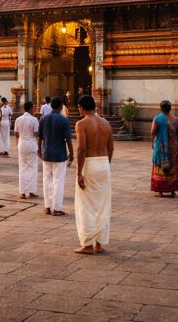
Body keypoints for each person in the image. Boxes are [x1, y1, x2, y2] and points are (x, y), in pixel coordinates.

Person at [74, 94, 114, 255]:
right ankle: (99, 243)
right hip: (104, 163)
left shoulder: (81, 124)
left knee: (86, 205)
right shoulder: (106, 124)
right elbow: (111, 148)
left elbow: (81, 149)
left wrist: (79, 172)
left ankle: (88, 245)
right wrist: (106, 165)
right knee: (102, 205)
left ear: (81, 107)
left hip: (89, 164)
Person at [38, 96, 73, 216]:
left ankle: (47, 206)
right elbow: (68, 138)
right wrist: (72, 153)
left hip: (46, 153)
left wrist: (39, 149)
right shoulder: (63, 120)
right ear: (61, 106)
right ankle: (57, 208)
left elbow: (40, 136)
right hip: (59, 154)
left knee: (46, 180)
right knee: (58, 181)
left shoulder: (43, 118)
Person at [150, 100, 178, 197]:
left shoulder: (157, 119)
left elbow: (152, 132)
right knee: (172, 168)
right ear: (170, 108)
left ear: (160, 108)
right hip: (173, 148)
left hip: (160, 147)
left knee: (161, 166)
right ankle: (172, 190)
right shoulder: (176, 120)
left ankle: (160, 190)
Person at [14, 100, 39, 199]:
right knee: (32, 168)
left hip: (22, 143)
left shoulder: (18, 119)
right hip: (31, 143)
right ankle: (31, 190)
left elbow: (16, 133)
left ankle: (23, 192)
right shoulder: (34, 119)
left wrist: (19, 140)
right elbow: (36, 133)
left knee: (23, 167)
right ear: (31, 108)